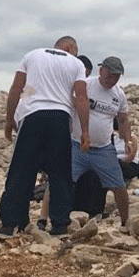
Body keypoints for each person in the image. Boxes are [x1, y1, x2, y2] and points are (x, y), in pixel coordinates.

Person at [0, 37, 89, 238]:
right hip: (59, 118)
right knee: (60, 174)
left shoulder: (33, 54)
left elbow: (16, 89)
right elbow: (81, 98)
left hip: (33, 116)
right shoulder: (76, 63)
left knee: (21, 171)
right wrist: (85, 131)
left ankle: (10, 224)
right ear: (69, 48)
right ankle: (59, 225)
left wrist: (9, 119)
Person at [70, 56, 134, 227]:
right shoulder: (86, 85)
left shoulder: (119, 94)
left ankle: (125, 221)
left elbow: (123, 120)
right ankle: (50, 218)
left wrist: (127, 140)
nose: (112, 79)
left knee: (119, 185)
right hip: (77, 145)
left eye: (117, 76)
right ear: (101, 70)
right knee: (63, 180)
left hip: (104, 149)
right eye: (110, 75)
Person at [38, 54, 94, 230]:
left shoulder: (85, 89)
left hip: (77, 139)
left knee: (61, 179)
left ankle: (60, 216)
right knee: (56, 179)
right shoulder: (63, 90)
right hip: (66, 138)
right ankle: (44, 217)